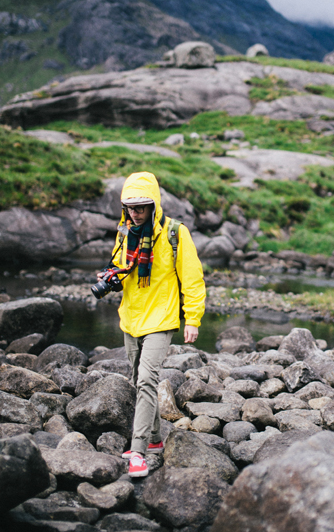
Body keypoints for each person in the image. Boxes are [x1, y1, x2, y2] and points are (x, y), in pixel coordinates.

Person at [101, 171, 206, 477]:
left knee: (147, 379)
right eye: (130, 207)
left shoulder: (175, 233)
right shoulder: (124, 234)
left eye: (141, 207)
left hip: (162, 318)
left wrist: (193, 319)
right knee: (138, 381)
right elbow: (121, 270)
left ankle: (138, 451)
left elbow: (192, 278)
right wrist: (110, 279)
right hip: (132, 318)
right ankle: (157, 440)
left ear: (154, 205)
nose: (135, 213)